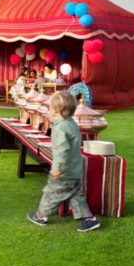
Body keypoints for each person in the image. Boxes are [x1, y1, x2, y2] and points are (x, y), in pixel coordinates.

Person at [27, 91, 100, 232]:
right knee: (74, 194)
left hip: (64, 171)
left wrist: (57, 169)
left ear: (56, 111)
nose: (48, 110)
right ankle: (90, 219)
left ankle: (41, 216)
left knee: (52, 192)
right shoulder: (70, 123)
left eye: (50, 108)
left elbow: (62, 151)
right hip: (74, 169)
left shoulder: (60, 128)